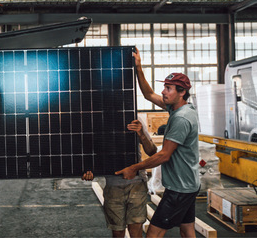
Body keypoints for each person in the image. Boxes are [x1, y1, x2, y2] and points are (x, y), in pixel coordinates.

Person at [114, 48, 200, 238]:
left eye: (168, 88)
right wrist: (138, 67)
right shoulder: (179, 107)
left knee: (153, 233)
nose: (163, 91)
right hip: (188, 184)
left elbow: (163, 155)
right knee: (187, 231)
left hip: (179, 189)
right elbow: (149, 94)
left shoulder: (181, 118)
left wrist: (133, 167)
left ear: (182, 92)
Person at [82, 119, 157, 238]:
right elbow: (90, 152)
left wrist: (141, 133)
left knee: (136, 231)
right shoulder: (95, 120)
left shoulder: (134, 118)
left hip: (137, 184)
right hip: (113, 186)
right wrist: (88, 170)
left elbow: (152, 151)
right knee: (117, 232)